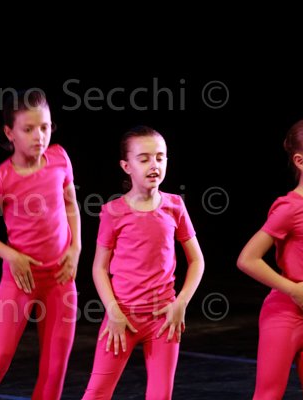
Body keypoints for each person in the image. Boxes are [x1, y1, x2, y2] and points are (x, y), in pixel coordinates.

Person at [0, 89, 80, 400]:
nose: (39, 136)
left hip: (60, 278)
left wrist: (76, 248)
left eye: (44, 127)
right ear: (9, 133)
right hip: (21, 280)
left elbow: (71, 204)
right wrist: (11, 256)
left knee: (54, 369)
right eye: (28, 129)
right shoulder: (2, 178)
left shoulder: (59, 158)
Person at [82, 125, 205, 400]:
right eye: (144, 159)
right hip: (122, 316)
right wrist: (114, 312)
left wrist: (180, 303)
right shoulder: (113, 212)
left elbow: (197, 260)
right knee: (97, 392)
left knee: (160, 395)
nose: (154, 165)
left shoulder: (174, 206)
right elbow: (99, 267)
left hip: (164, 318)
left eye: (160, 157)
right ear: (126, 166)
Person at [237, 117, 303, 399]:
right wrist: (293, 289)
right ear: (301, 162)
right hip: (285, 318)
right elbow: (247, 258)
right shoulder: (289, 208)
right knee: (269, 395)